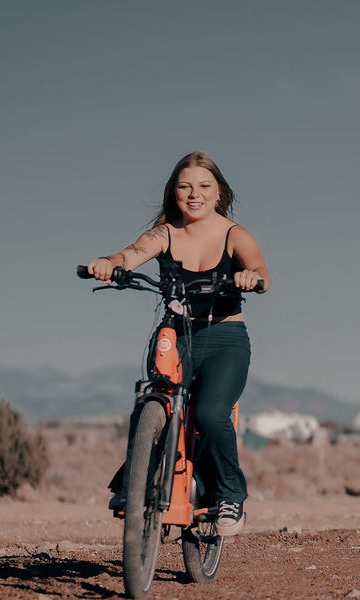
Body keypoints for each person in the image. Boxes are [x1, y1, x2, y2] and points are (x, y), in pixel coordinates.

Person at [87, 151, 272, 536]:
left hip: (224, 339)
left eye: (204, 186)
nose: (194, 194)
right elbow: (131, 254)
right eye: (185, 186)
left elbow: (260, 268)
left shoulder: (234, 234)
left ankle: (229, 496)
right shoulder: (164, 234)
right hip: (176, 333)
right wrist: (109, 263)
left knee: (209, 413)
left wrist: (251, 277)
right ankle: (136, 482)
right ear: (174, 192)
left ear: (218, 192)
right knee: (152, 399)